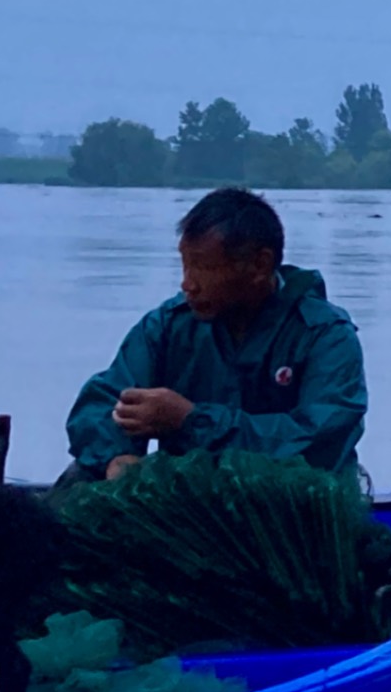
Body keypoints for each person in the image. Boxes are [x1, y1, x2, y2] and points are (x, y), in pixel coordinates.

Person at [65, 187, 368, 483]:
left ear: (260, 265)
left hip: (294, 505)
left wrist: (190, 421)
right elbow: (103, 403)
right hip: (188, 501)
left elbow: (318, 441)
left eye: (203, 268)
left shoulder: (325, 335)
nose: (188, 285)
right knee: (81, 476)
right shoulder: (169, 326)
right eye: (185, 266)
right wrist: (118, 457)